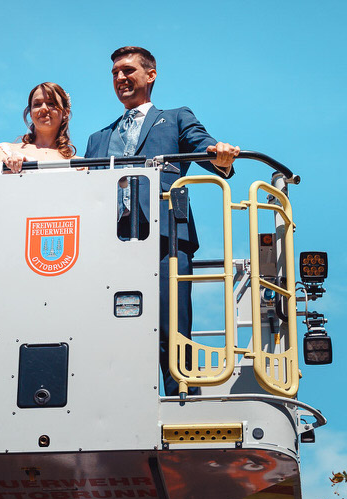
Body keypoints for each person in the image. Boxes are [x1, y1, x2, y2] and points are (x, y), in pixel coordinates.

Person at [84, 46, 240, 396]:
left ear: (150, 75)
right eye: (115, 73)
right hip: (110, 242)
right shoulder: (97, 139)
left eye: (128, 71)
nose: (120, 78)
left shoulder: (176, 117)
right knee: (113, 327)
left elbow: (208, 150)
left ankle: (183, 397)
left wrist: (222, 157)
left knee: (172, 325)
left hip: (166, 236)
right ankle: (118, 402)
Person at [0, 82, 77, 172]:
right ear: (31, 113)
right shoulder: (5, 152)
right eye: (37, 104)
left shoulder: (81, 165)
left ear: (65, 113)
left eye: (51, 103)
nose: (43, 108)